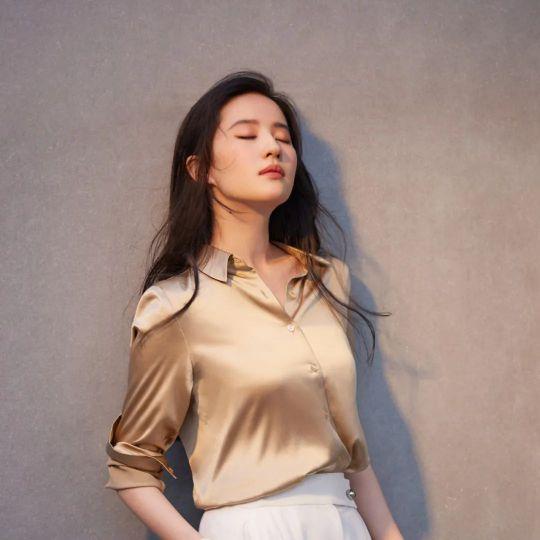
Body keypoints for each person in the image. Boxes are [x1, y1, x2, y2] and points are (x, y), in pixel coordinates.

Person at [104, 70, 403, 540]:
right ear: (200, 169)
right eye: (247, 135)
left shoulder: (327, 282)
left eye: (282, 138)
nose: (272, 148)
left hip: (343, 520)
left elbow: (353, 449)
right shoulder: (176, 305)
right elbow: (131, 469)